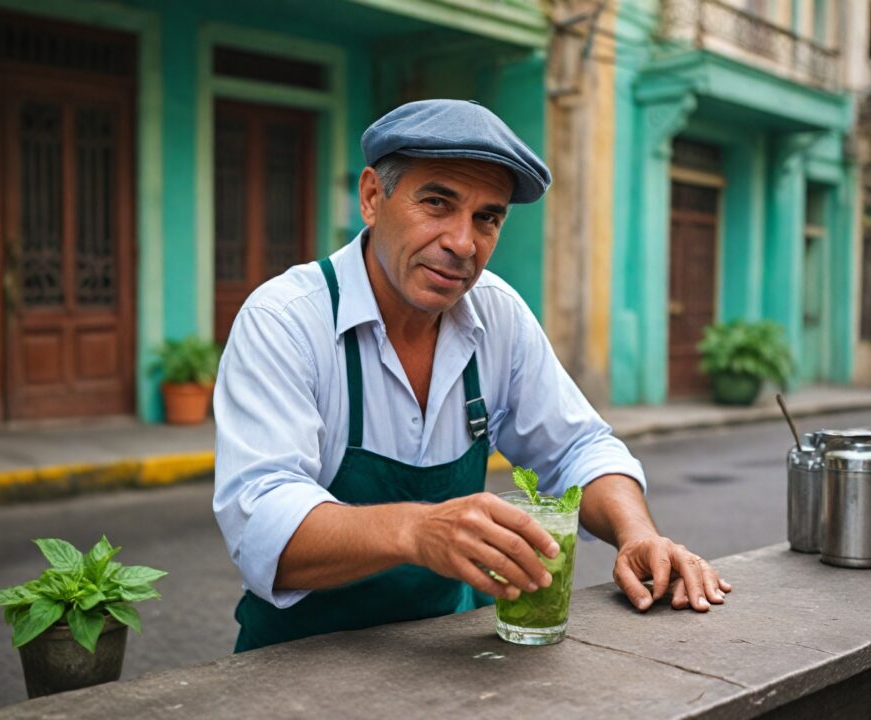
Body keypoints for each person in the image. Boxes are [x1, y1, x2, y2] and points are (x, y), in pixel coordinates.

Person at [213, 99, 731, 651]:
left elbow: (577, 448)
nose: (463, 243)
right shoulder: (286, 321)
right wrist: (418, 531)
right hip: (297, 662)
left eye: (487, 217)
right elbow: (263, 523)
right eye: (437, 202)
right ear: (371, 197)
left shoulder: (496, 313)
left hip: (448, 650)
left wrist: (637, 533)